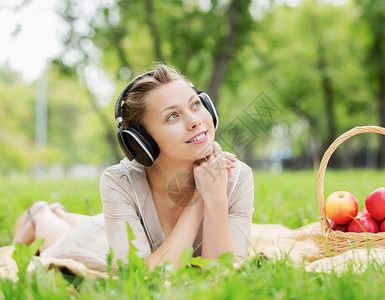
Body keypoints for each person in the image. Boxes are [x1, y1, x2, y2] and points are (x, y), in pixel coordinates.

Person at [11, 63, 254, 271]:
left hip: (122, 230)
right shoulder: (119, 181)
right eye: (172, 116)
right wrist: (199, 198)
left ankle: (61, 213)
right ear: (141, 142)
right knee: (59, 240)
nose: (195, 121)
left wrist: (216, 198)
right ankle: (40, 214)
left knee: (97, 224)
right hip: (102, 245)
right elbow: (144, 275)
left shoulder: (236, 176)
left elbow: (221, 271)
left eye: (195, 105)